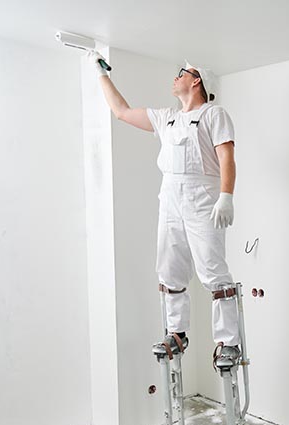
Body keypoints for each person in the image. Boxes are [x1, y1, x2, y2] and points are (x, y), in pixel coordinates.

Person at [87, 51, 241, 362]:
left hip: (202, 199)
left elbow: (226, 156)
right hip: (170, 198)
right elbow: (121, 111)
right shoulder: (166, 117)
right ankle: (176, 334)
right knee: (170, 269)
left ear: (196, 80)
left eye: (182, 73)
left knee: (212, 270)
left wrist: (227, 195)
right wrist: (101, 75)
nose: (176, 77)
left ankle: (229, 342)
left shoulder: (214, 114)